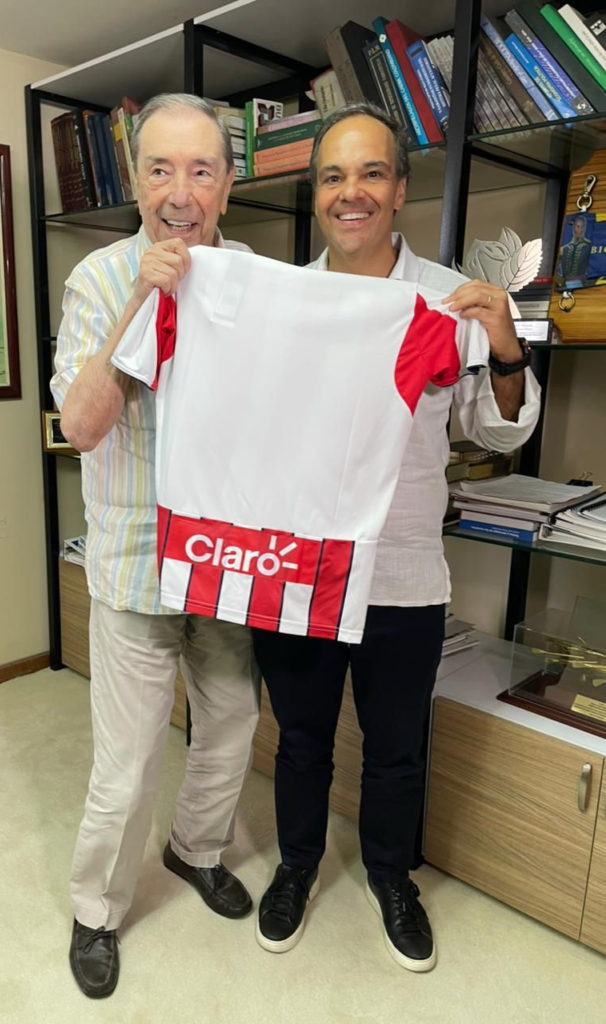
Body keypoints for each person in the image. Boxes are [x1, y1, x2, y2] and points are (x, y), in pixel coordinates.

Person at [252, 102, 541, 972]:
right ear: (316, 194)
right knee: (300, 741)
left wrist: (504, 344)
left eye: (371, 173)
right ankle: (296, 866)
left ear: (401, 188)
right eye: (333, 176)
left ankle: (390, 877)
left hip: (404, 572)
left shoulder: (448, 299)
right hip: (302, 571)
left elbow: (498, 431)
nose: (352, 192)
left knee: (396, 749)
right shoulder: (283, 305)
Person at [51, 93, 262, 1001]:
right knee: (128, 763)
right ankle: (95, 910)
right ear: (136, 181)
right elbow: (81, 425)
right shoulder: (98, 279)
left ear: (227, 184)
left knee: (232, 723)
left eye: (201, 170)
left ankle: (196, 850)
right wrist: (144, 296)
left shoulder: (253, 278)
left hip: (226, 563)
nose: (181, 192)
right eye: (161, 169)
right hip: (136, 564)